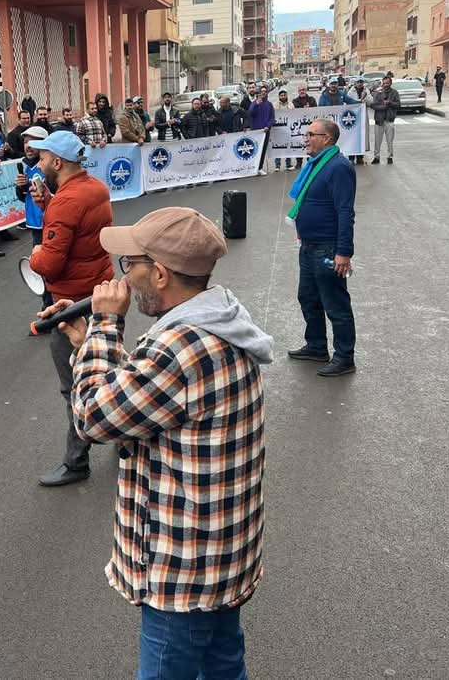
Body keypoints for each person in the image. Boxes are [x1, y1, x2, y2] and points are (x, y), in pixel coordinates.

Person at [47, 207, 272, 680]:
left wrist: (104, 330)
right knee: (223, 666)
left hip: (183, 568)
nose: (122, 277)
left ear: (161, 273)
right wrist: (90, 341)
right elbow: (154, 395)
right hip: (221, 553)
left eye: (130, 265)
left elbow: (93, 417)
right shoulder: (218, 319)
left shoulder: (178, 347)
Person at [26, 131, 114, 487]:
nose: (39, 163)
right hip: (99, 294)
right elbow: (77, 230)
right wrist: (50, 202)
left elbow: (50, 263)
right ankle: (121, 433)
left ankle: (76, 462)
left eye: (43, 158)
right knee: (106, 371)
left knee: (74, 386)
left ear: (58, 162)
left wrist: (33, 257)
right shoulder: (93, 188)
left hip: (69, 306)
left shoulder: (66, 202)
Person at [286, 119, 357, 377]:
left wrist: (343, 252)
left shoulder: (338, 167)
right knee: (308, 298)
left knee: (336, 305)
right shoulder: (316, 164)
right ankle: (316, 347)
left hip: (328, 248)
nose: (305, 139)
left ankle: (344, 357)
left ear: (326, 138)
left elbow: (345, 211)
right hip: (309, 246)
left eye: (310, 134)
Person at [371, 76, 401, 165]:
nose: (385, 85)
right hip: (379, 120)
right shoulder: (378, 92)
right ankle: (376, 157)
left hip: (389, 120)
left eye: (387, 83)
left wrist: (390, 103)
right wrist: (383, 106)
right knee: (377, 140)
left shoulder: (394, 92)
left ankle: (390, 157)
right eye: (384, 83)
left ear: (390, 83)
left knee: (390, 140)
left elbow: (398, 104)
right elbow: (373, 105)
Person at [248, 86, 276, 174]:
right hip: (256, 132)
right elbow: (250, 113)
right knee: (255, 150)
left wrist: (268, 126)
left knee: (263, 150)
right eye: (262, 91)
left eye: (265, 91)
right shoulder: (254, 103)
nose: (263, 93)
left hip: (265, 131)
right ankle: (253, 168)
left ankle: (260, 168)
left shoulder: (269, 104)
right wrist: (256, 104)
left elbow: (272, 118)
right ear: (259, 93)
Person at [274, 89, 295, 171]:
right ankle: (277, 165)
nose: (283, 97)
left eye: (284, 95)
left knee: (288, 147)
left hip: (288, 129)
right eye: (281, 95)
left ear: (287, 96)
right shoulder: (275, 105)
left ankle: (288, 164)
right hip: (278, 129)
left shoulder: (291, 105)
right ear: (279, 96)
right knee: (278, 148)